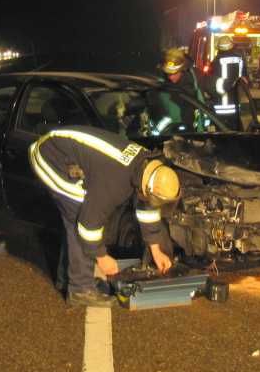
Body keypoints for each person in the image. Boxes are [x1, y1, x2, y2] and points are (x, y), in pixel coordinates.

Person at [29, 126, 180, 307]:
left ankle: (66, 279)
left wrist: (156, 249)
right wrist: (102, 257)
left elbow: (146, 206)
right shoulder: (115, 182)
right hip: (50, 156)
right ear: (146, 187)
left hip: (66, 150)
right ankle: (80, 290)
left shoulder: (146, 165)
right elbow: (88, 226)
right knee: (78, 217)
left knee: (82, 218)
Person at [207, 35, 248, 123]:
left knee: (221, 128)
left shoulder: (216, 61)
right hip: (235, 104)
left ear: (219, 48)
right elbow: (244, 79)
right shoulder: (239, 59)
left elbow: (210, 81)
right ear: (232, 46)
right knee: (235, 128)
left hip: (219, 106)